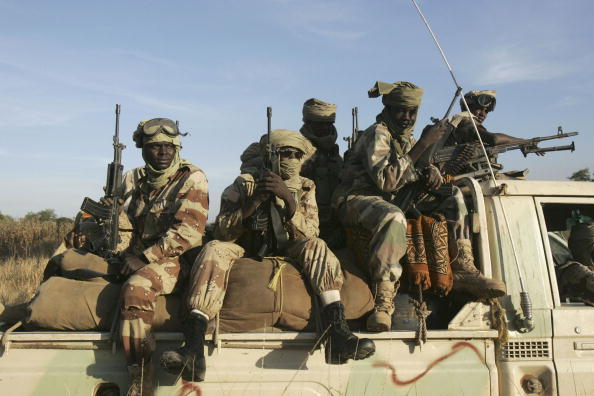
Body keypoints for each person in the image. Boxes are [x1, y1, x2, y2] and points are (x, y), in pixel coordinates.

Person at [160, 129, 375, 382]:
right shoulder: (244, 184)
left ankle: (338, 334)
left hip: (290, 247)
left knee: (318, 245)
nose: (291, 159)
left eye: (296, 154)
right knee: (214, 249)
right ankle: (194, 346)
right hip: (246, 246)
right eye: (284, 153)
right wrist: (253, 203)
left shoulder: (306, 187)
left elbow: (311, 231)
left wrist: (287, 199)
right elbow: (222, 229)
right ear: (270, 155)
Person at [28, 118, 208, 396]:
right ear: (143, 149)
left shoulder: (191, 178)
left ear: (176, 148)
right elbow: (123, 224)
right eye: (154, 147)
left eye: (167, 147)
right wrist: (109, 216)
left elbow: (188, 232)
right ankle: (37, 301)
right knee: (73, 247)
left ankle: (141, 376)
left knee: (137, 288)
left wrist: (146, 258)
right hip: (131, 252)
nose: (162, 153)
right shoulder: (133, 178)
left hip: (174, 258)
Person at [333, 81, 506, 332]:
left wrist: (431, 172)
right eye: (401, 111)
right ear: (388, 108)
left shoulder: (406, 137)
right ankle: (383, 300)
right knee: (393, 218)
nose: (407, 117)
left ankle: (462, 266)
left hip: (389, 198)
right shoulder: (377, 134)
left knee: (453, 194)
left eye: (412, 112)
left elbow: (416, 166)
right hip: (356, 199)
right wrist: (424, 144)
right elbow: (387, 180)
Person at [299, 98, 344, 248]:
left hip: (335, 220)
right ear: (308, 123)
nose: (326, 128)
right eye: (320, 124)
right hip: (307, 220)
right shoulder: (298, 151)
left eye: (329, 124)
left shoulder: (334, 154)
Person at [448, 90, 527, 146]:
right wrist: (523, 141)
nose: (483, 114)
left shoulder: (461, 121)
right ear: (467, 106)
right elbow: (494, 139)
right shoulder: (465, 121)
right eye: (479, 109)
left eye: (486, 111)